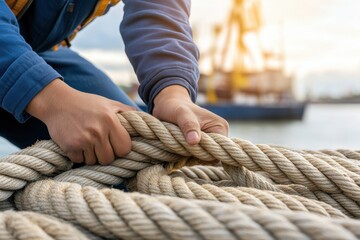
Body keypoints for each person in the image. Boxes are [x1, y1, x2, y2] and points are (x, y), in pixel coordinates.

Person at [0, 0, 228, 165]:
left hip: (35, 51)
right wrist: (50, 99)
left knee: (133, 155)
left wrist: (172, 91)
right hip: (14, 51)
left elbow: (158, 7)